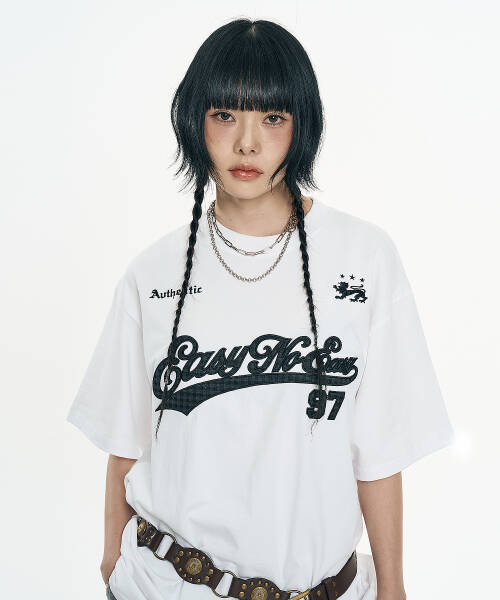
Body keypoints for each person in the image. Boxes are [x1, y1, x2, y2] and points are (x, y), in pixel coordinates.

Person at [67, 18, 455, 600]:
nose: (247, 143)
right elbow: (125, 443)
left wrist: (393, 588)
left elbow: (378, 452)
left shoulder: (365, 257)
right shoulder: (152, 274)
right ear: (195, 121)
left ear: (303, 126)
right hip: (166, 584)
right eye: (224, 114)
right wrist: (112, 563)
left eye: (272, 117)